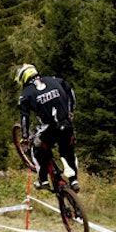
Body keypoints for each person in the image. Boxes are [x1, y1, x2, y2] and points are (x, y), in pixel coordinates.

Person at [16, 63, 80, 192]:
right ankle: (74, 180)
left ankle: (43, 179)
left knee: (36, 148)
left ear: (23, 78)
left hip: (49, 129)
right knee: (68, 151)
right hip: (66, 124)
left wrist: (25, 136)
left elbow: (24, 118)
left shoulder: (25, 94)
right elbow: (70, 92)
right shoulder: (55, 80)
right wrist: (70, 111)